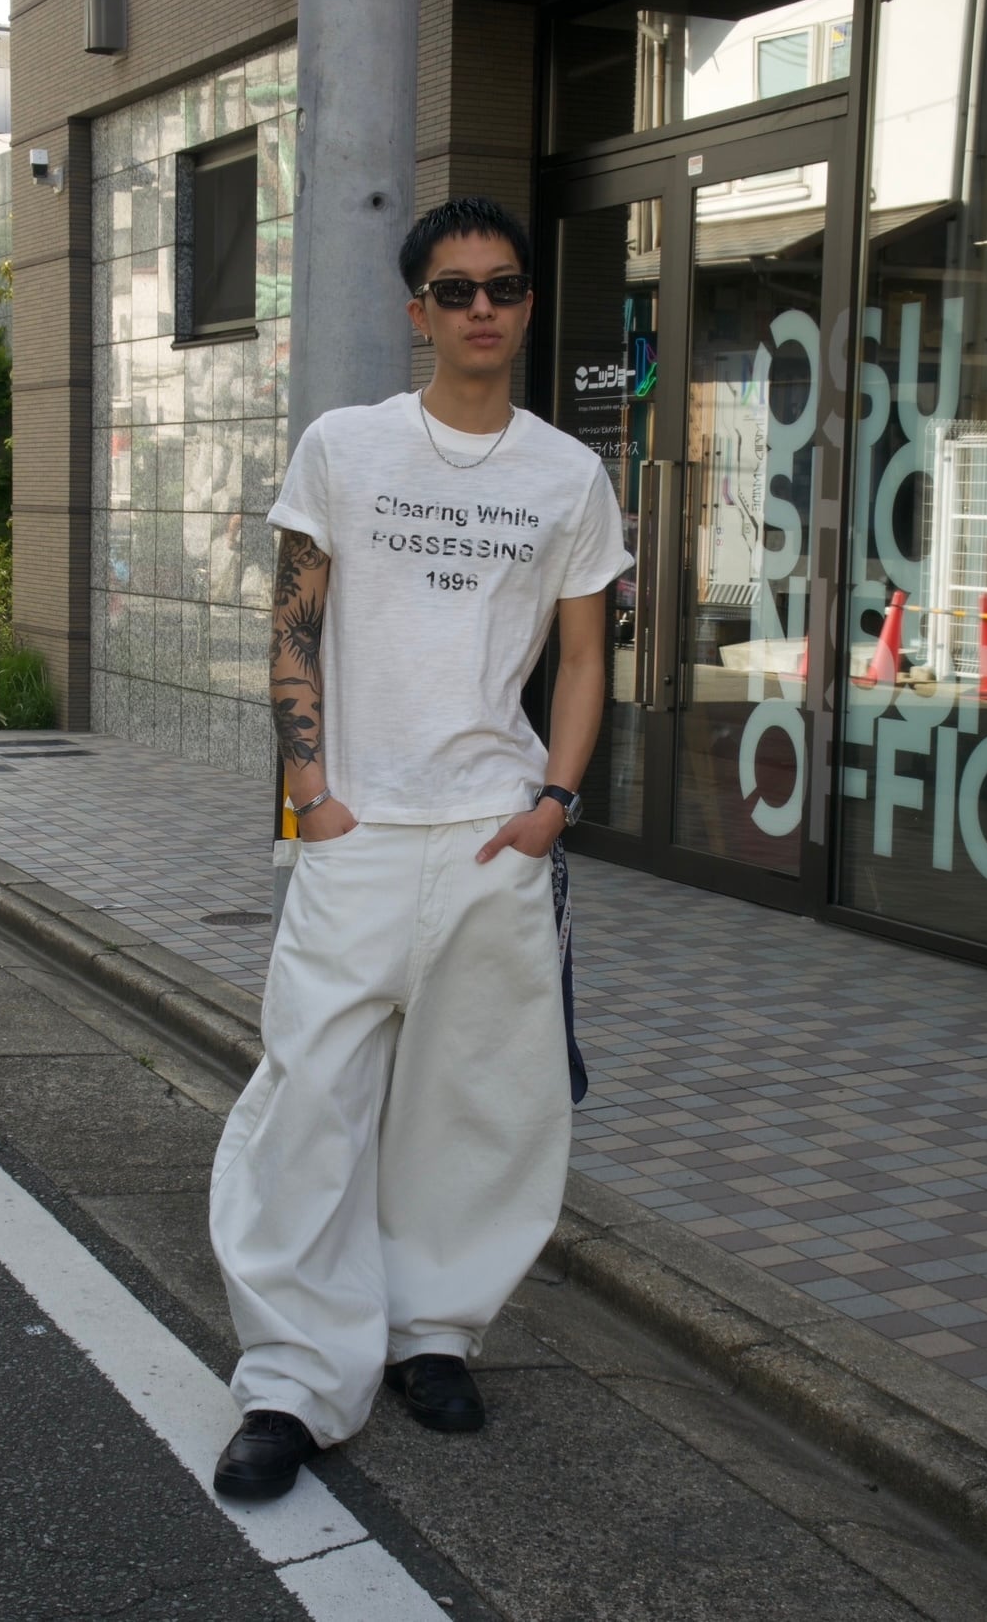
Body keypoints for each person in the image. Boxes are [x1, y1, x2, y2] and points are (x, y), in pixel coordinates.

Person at [209, 196, 631, 1500]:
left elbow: (581, 657)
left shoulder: (568, 475)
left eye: (501, 286)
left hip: (494, 834)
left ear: (525, 304)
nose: (480, 308)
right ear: (417, 311)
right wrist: (311, 792)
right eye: (454, 290)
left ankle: (431, 1331)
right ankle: (291, 1379)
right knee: (308, 1099)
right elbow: (293, 626)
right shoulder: (345, 447)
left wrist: (554, 802)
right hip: (359, 830)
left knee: (478, 1102)